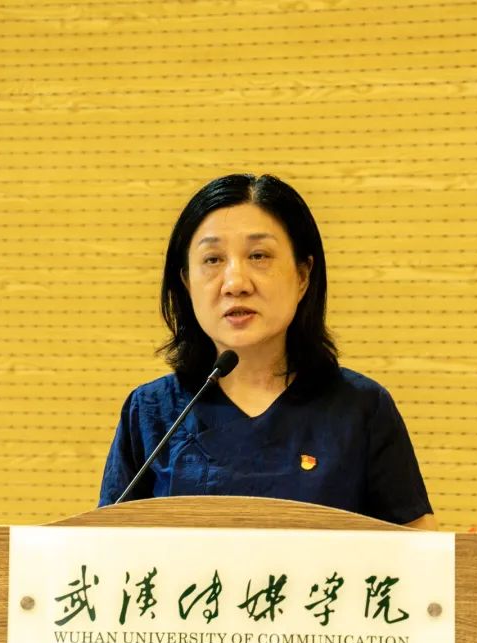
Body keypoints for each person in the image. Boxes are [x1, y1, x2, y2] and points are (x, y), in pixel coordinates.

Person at [98, 174, 436, 529]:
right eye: (212, 259)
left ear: (303, 276)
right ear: (186, 282)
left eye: (258, 256)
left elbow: (419, 549)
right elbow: (101, 548)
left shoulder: (362, 409)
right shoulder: (151, 412)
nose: (235, 283)